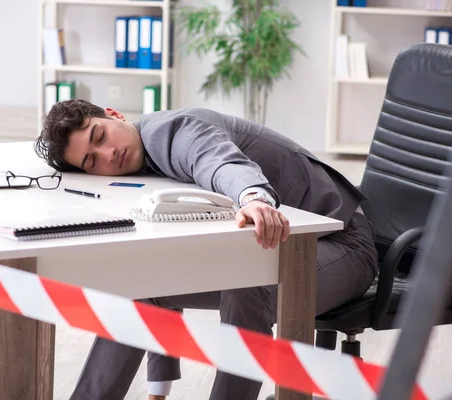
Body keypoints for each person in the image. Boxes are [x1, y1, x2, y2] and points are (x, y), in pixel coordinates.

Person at [34, 99, 379, 400]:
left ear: (114, 115)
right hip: (281, 246)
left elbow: (218, 161)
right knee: (144, 284)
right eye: (93, 162)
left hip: (342, 243)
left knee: (248, 285)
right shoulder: (142, 163)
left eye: (100, 136)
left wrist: (254, 198)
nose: (109, 154)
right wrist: (159, 385)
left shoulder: (172, 131)